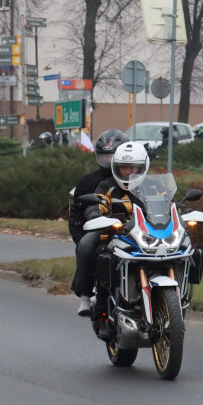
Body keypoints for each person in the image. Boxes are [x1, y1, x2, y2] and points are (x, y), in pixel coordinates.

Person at [78, 141, 148, 340]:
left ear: (141, 167)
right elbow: (96, 203)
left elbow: (170, 204)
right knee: (105, 260)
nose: (127, 172)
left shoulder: (152, 186)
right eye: (123, 167)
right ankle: (102, 314)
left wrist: (182, 212)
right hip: (116, 238)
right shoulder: (107, 186)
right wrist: (95, 215)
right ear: (116, 168)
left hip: (147, 240)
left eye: (132, 167)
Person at [69, 128, 127, 316]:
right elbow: (76, 214)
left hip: (134, 228)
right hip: (99, 229)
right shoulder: (89, 181)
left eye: (114, 156)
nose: (109, 161)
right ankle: (86, 295)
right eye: (105, 156)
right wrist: (81, 236)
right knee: (86, 246)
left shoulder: (136, 176)